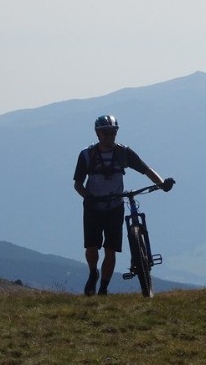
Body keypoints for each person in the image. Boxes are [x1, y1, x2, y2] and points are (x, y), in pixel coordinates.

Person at [73, 114, 174, 296]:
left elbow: (146, 169)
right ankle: (93, 272)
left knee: (111, 249)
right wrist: (86, 196)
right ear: (98, 134)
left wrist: (162, 184)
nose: (110, 136)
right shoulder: (87, 155)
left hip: (115, 206)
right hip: (93, 206)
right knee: (92, 247)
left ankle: (103, 288)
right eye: (106, 133)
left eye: (113, 132)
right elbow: (78, 184)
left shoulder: (123, 153)